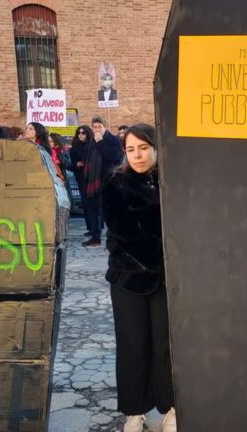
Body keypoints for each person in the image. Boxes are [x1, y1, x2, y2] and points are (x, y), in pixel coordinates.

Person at [102, 124, 176, 432]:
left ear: (156, 148)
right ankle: (135, 411)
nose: (137, 155)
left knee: (164, 346)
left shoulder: (172, 181)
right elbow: (125, 231)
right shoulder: (116, 183)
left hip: (165, 280)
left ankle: (171, 408)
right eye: (131, 149)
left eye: (143, 148)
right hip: (127, 280)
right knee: (133, 345)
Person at [83, 115, 123, 247]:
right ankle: (95, 236)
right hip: (93, 181)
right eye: (94, 127)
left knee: (109, 209)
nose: (97, 129)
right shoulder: (91, 140)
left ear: (105, 127)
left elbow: (114, 157)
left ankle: (115, 236)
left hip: (108, 179)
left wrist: (101, 143)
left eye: (99, 127)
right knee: (93, 208)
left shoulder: (113, 140)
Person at [70, 125, 93, 235]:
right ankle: (90, 227)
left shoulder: (92, 146)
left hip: (93, 176)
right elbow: (71, 163)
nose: (81, 135)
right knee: (85, 202)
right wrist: (76, 164)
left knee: (94, 202)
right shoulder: (75, 147)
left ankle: (96, 227)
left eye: (83, 133)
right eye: (79, 133)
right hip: (81, 177)